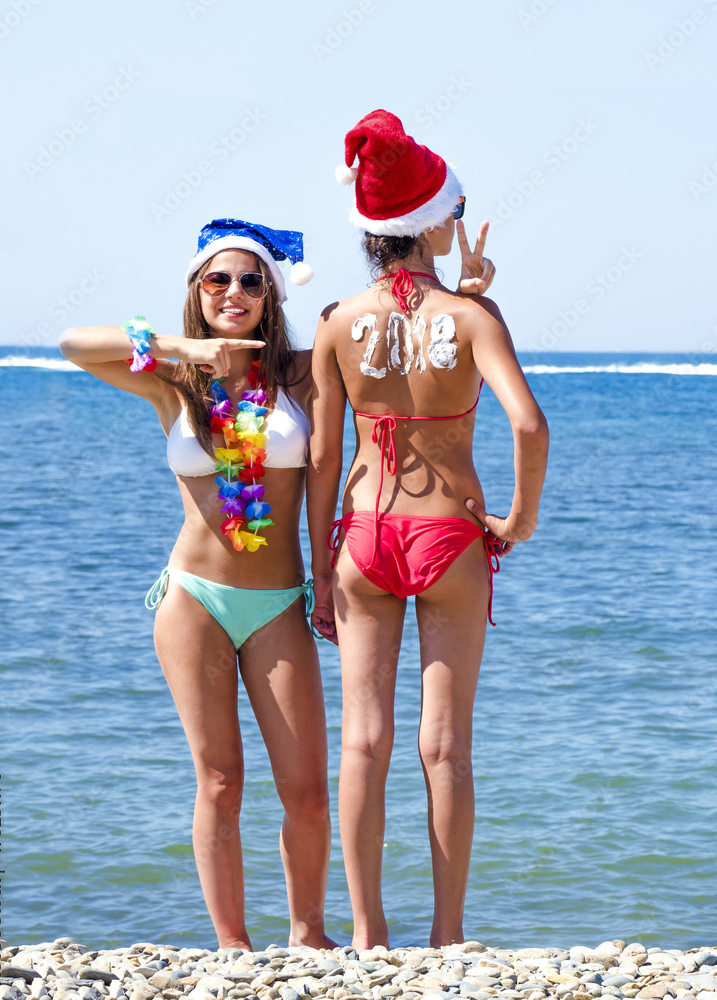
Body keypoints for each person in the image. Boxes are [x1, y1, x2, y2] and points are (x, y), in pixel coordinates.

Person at [307, 110, 549, 949]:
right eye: (455, 207)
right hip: (450, 536)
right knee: (445, 748)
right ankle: (447, 937)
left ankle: (368, 937)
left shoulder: (337, 322)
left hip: (364, 535)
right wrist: (517, 520)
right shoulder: (476, 319)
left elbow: (322, 458)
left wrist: (318, 563)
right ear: (432, 219)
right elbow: (527, 425)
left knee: (362, 740)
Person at [59, 219, 335, 950]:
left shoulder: (303, 373)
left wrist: (468, 300)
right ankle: (232, 946)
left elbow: (382, 364)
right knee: (219, 782)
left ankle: (309, 934)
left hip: (278, 600)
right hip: (193, 601)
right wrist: (183, 348)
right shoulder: (171, 380)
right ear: (196, 291)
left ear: (271, 295)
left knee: (306, 792)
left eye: (250, 280)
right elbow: (72, 343)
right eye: (217, 279)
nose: (234, 292)